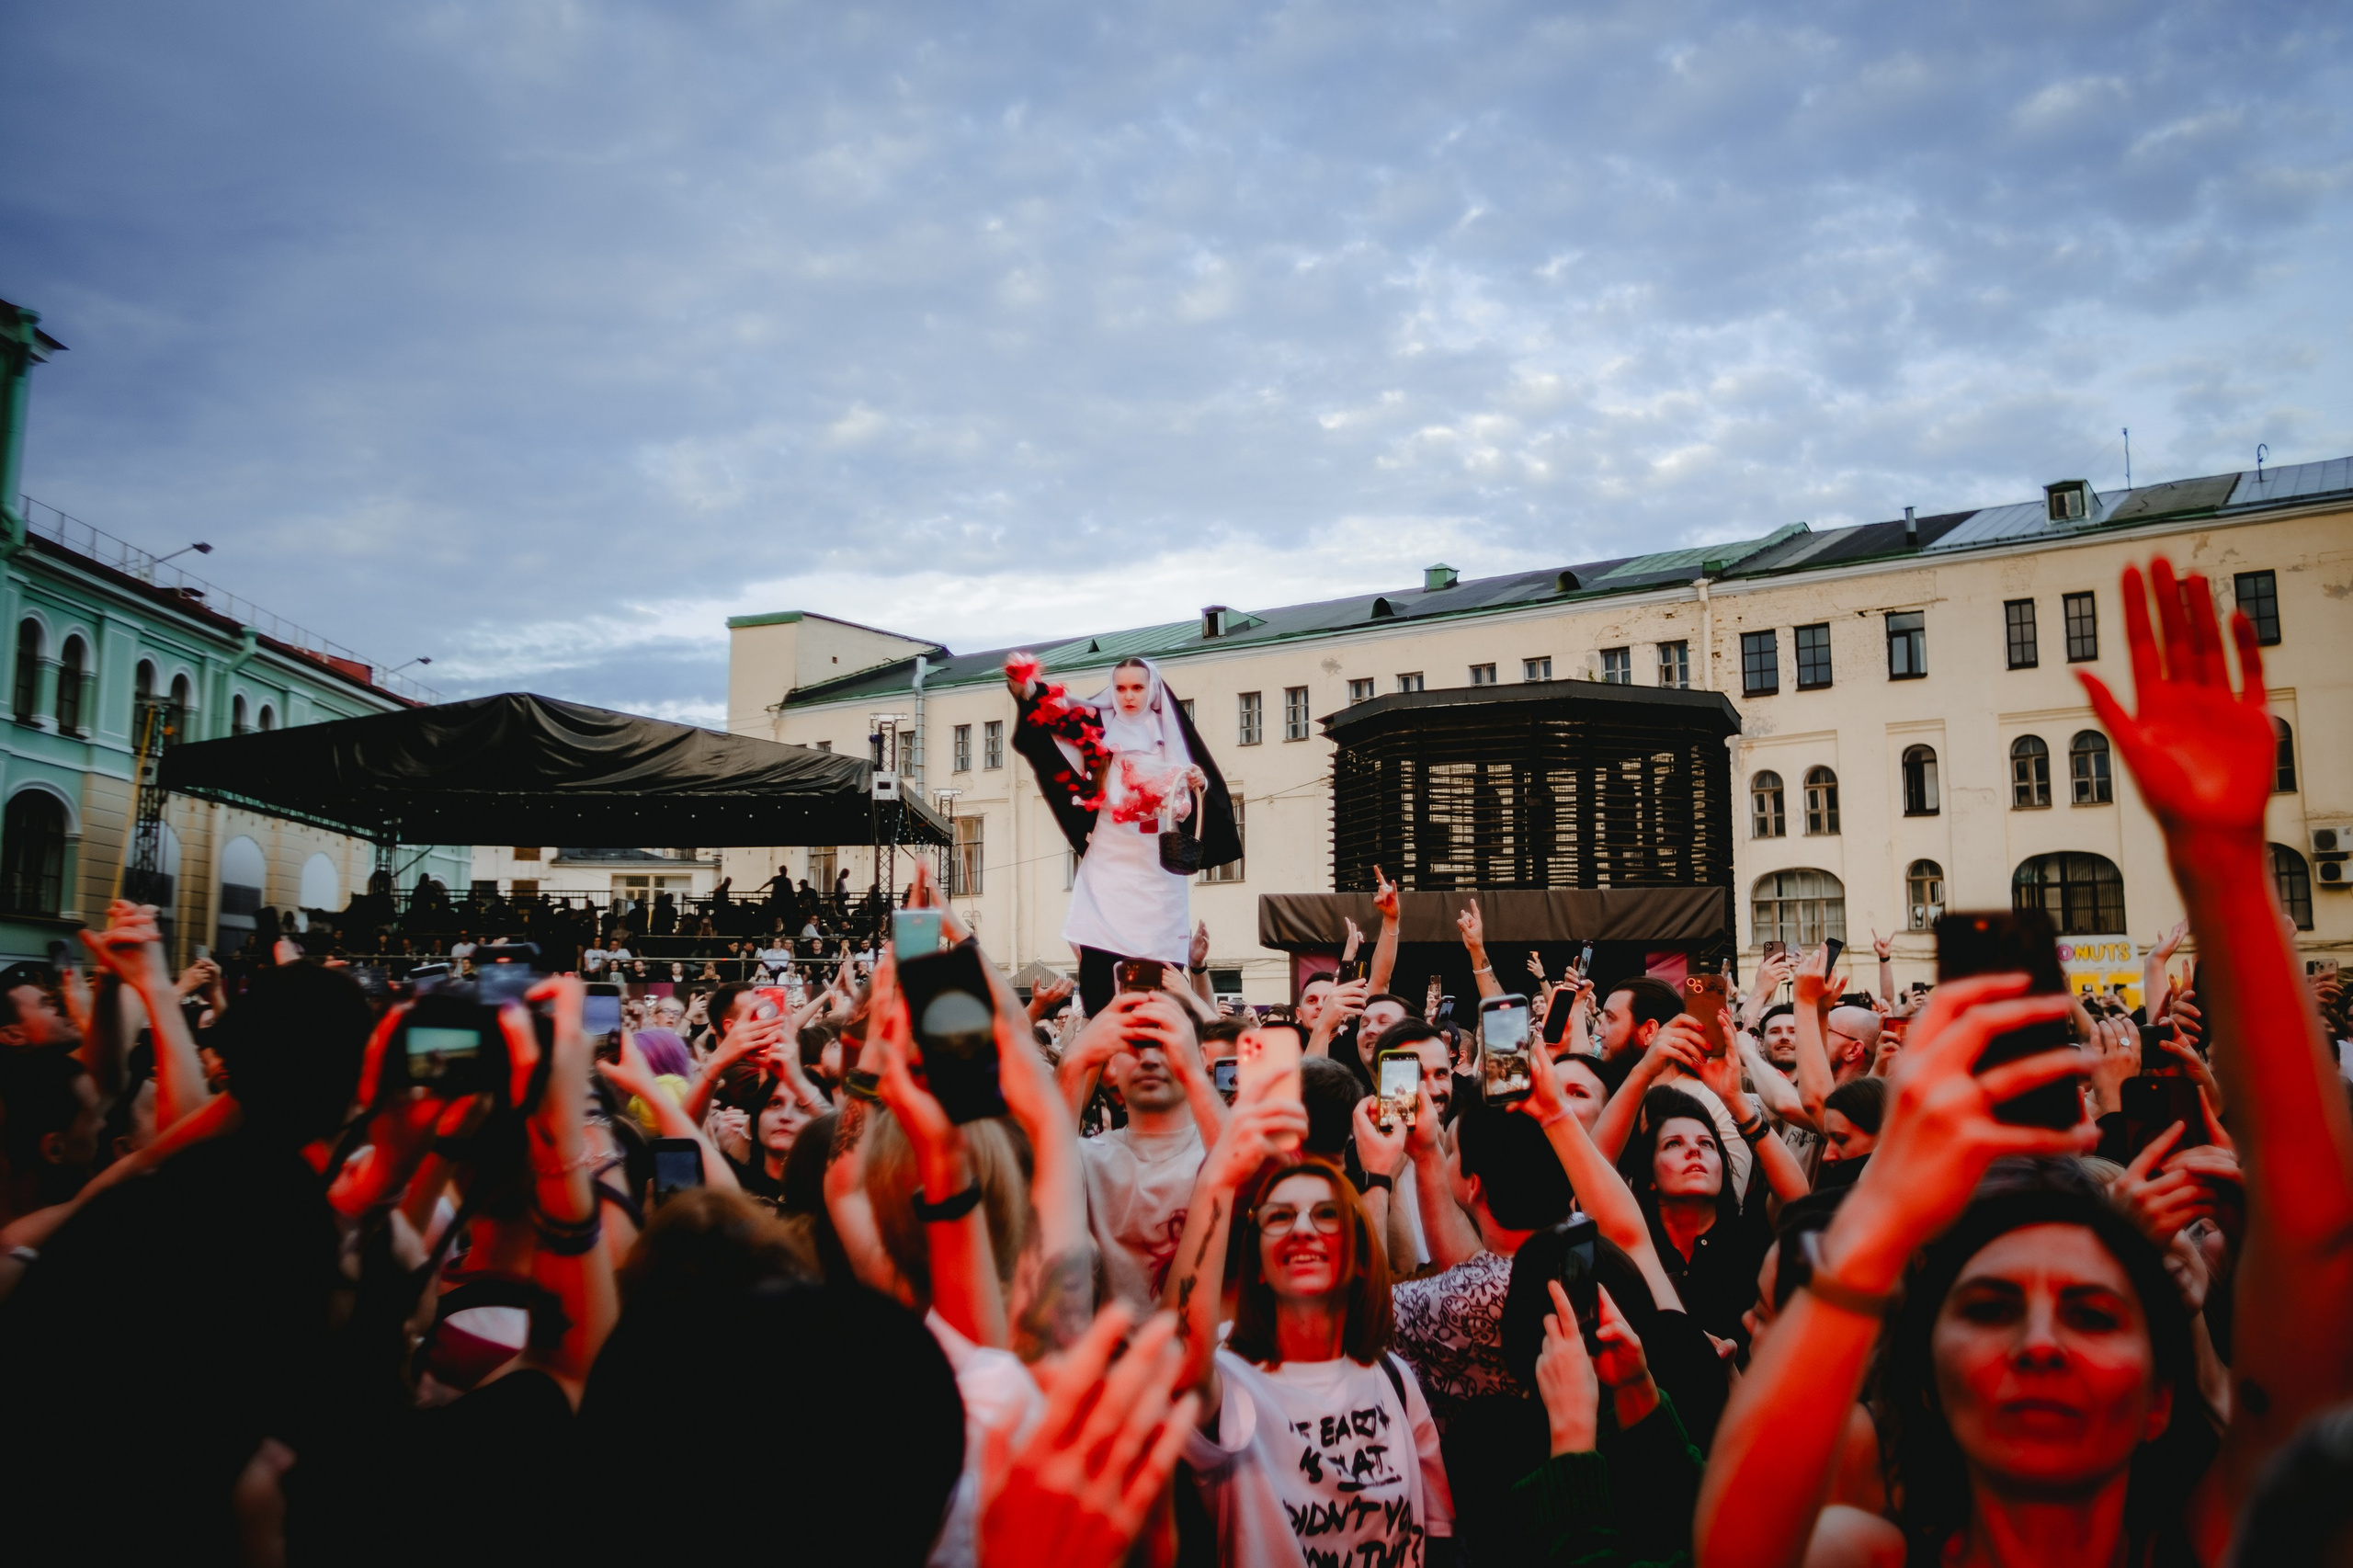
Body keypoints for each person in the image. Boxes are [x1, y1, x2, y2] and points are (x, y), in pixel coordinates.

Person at [1696, 555, 2353, 1568]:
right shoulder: (1862, 1554)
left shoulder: (2222, 1541)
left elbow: (2315, 1230)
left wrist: (2221, 861)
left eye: (2092, 1310)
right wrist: (1879, 1215)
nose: (2038, 1343)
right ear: (1924, 1370)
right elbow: (1739, 1538)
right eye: (1989, 1303)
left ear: (2159, 1395)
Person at [1165, 1071, 1455, 1567]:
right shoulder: (1229, 1381)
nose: (1302, 1229)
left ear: (1360, 1257)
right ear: (1256, 1265)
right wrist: (1217, 1181)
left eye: (1326, 1214)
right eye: (1279, 1217)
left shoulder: (1394, 1378)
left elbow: (1438, 1537)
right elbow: (1177, 1356)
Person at [1006, 653, 1239, 1015]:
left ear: (1152, 690)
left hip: (1157, 866)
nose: (1128, 696)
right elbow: (1051, 719)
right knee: (1101, 970)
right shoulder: (1098, 726)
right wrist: (1026, 687)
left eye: (1137, 687)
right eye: (1120, 688)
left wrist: (1198, 782)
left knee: (1159, 973)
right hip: (1109, 859)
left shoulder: (1170, 738)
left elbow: (1198, 793)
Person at [1055, 989, 1224, 1301]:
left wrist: (1192, 1074)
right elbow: (1038, 1173)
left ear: (1200, 1058)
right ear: (1111, 1064)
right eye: (1134, 1044)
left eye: (1165, 1043)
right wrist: (1074, 1061)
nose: (1148, 1059)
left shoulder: (1216, 1147)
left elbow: (1244, 1178)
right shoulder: (1085, 1157)